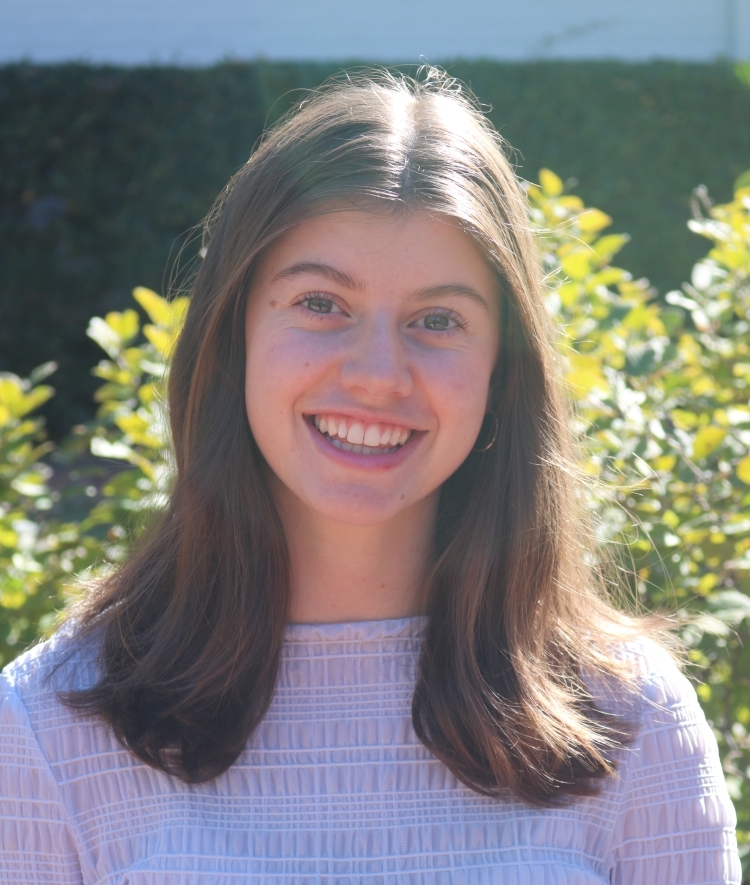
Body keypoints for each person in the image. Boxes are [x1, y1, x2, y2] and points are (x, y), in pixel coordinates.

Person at [0, 69, 740, 884]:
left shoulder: (635, 725)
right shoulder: (47, 728)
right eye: (321, 304)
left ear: (502, 370)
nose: (379, 374)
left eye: (437, 320)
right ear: (235, 335)